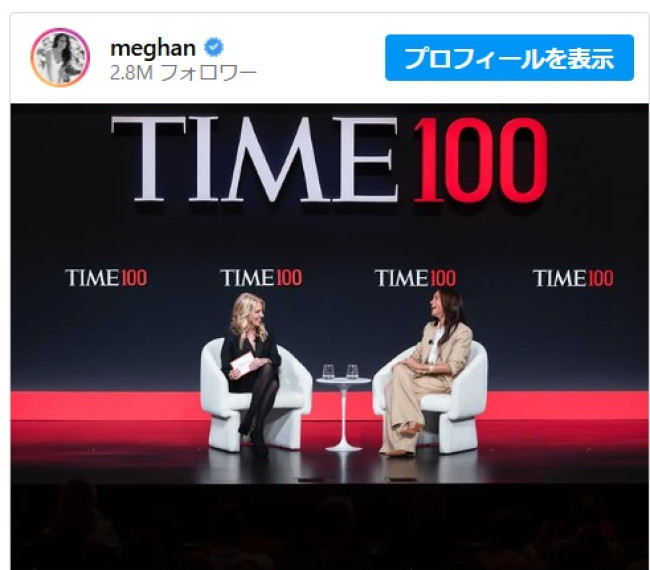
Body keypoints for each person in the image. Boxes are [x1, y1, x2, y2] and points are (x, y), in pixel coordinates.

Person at [380, 286, 473, 457]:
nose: (431, 302)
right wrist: (404, 363)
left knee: (391, 388)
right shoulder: (429, 328)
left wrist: (423, 367)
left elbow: (454, 366)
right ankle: (411, 425)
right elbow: (417, 354)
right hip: (423, 376)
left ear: (448, 302)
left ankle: (403, 441)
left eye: (436, 298)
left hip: (443, 380)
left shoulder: (463, 331)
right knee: (398, 372)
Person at [221, 292, 281, 455]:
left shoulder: (266, 332)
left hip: (261, 381)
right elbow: (225, 366)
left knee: (271, 375)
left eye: (262, 311)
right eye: (257, 312)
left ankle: (254, 425)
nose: (262, 315)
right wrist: (230, 374)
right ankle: (255, 427)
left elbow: (276, 358)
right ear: (245, 312)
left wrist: (263, 360)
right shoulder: (232, 334)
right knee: (273, 382)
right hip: (241, 382)